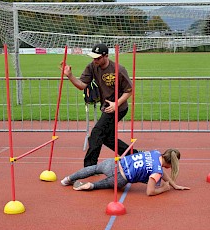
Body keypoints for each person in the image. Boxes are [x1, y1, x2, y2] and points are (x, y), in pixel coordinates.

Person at [62, 43, 137, 167]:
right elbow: (82, 85)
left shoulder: (118, 69)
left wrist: (116, 104)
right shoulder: (92, 67)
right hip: (107, 106)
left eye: (97, 58)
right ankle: (134, 155)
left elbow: (129, 90)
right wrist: (69, 75)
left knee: (96, 133)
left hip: (119, 107)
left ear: (106, 56)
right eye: (93, 58)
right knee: (107, 138)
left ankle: (89, 166)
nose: (95, 60)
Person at [61, 149, 190, 196]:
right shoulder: (156, 171)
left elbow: (161, 171)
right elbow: (150, 192)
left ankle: (67, 179)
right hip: (120, 179)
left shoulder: (155, 153)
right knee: (104, 184)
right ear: (170, 164)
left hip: (114, 164)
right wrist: (164, 189)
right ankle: (91, 186)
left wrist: (174, 184)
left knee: (94, 169)